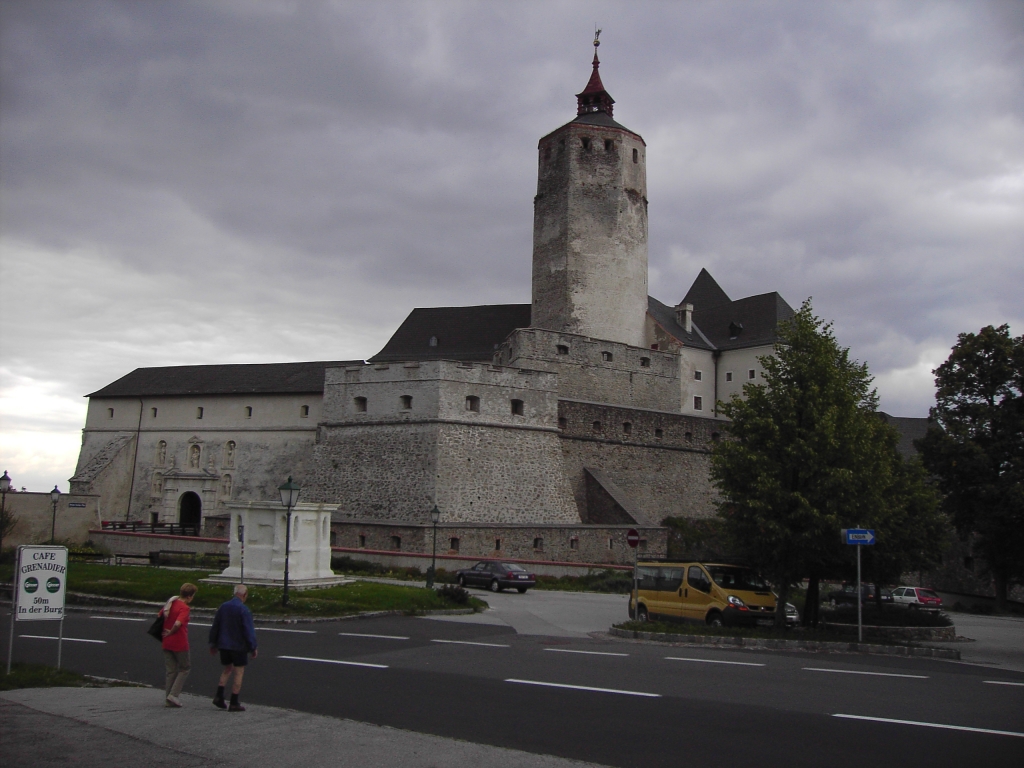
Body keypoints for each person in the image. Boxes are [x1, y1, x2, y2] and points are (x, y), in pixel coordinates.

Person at [209, 583, 258, 712]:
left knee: (227, 668)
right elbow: (248, 631)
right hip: (238, 646)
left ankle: (219, 695)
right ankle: (234, 702)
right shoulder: (244, 610)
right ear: (244, 595)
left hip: (224, 645)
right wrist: (253, 647)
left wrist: (213, 643)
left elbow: (216, 626)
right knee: (239, 671)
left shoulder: (223, 607)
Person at [161, 582, 198, 708]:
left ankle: (168, 698)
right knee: (185, 668)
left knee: (171, 671)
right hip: (179, 642)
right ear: (189, 596)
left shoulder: (171, 603)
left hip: (166, 641)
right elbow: (178, 624)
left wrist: (166, 632)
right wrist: (171, 631)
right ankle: (174, 694)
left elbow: (160, 615)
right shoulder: (184, 608)